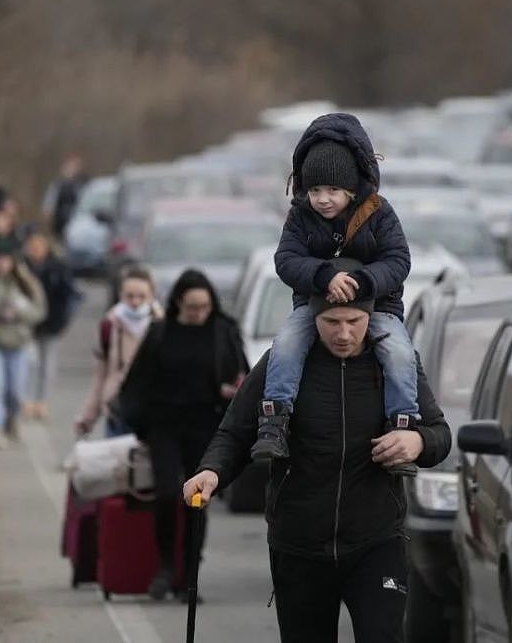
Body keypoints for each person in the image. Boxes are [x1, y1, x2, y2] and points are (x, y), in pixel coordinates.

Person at [183, 270, 452, 643]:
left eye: (354, 322)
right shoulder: (282, 365)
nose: (343, 334)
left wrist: (417, 442)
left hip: (376, 540)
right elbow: (236, 431)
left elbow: (440, 434)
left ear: (370, 318)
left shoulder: (396, 366)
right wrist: (211, 471)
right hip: (299, 543)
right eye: (331, 322)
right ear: (313, 318)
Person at [252, 113, 419, 478]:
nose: (323, 200)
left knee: (399, 353)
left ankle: (402, 425)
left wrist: (362, 282)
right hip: (313, 306)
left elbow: (398, 260)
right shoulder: (300, 217)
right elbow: (286, 260)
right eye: (314, 191)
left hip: (379, 307)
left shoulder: (379, 212)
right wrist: (323, 275)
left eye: (331, 191)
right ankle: (274, 420)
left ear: (351, 189)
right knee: (286, 344)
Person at [119, 269, 248, 601]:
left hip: (206, 426)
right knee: (165, 493)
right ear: (178, 303)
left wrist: (231, 390)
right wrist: (139, 425)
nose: (198, 314)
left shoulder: (223, 331)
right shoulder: (160, 333)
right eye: (192, 307)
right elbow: (136, 382)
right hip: (164, 426)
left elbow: (242, 377)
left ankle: (189, 576)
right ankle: (164, 566)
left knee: (196, 501)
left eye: (204, 307)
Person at [0, 242, 46, 448]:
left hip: (18, 341)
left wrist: (18, 313)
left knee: (15, 389)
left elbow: (39, 311)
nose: (2, 264)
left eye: (6, 259)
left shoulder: (26, 283)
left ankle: (12, 418)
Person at [74, 266, 163, 438]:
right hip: (117, 409)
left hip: (150, 412)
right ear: (121, 295)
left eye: (141, 296)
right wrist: (88, 418)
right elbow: (101, 376)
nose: (135, 302)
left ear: (151, 296)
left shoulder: (162, 327)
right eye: (130, 296)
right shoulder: (110, 325)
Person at [23, 230, 80, 421]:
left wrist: (65, 320)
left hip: (52, 323)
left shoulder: (58, 267)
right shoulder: (23, 268)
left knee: (47, 365)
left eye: (39, 246)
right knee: (31, 364)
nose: (36, 250)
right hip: (28, 325)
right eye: (32, 246)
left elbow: (72, 295)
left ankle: (42, 402)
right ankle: (28, 400)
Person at [42, 154, 87, 239]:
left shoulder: (83, 184)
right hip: (59, 221)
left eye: (75, 166)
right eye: (70, 166)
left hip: (77, 222)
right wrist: (48, 212)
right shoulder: (57, 184)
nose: (73, 169)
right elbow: (49, 201)